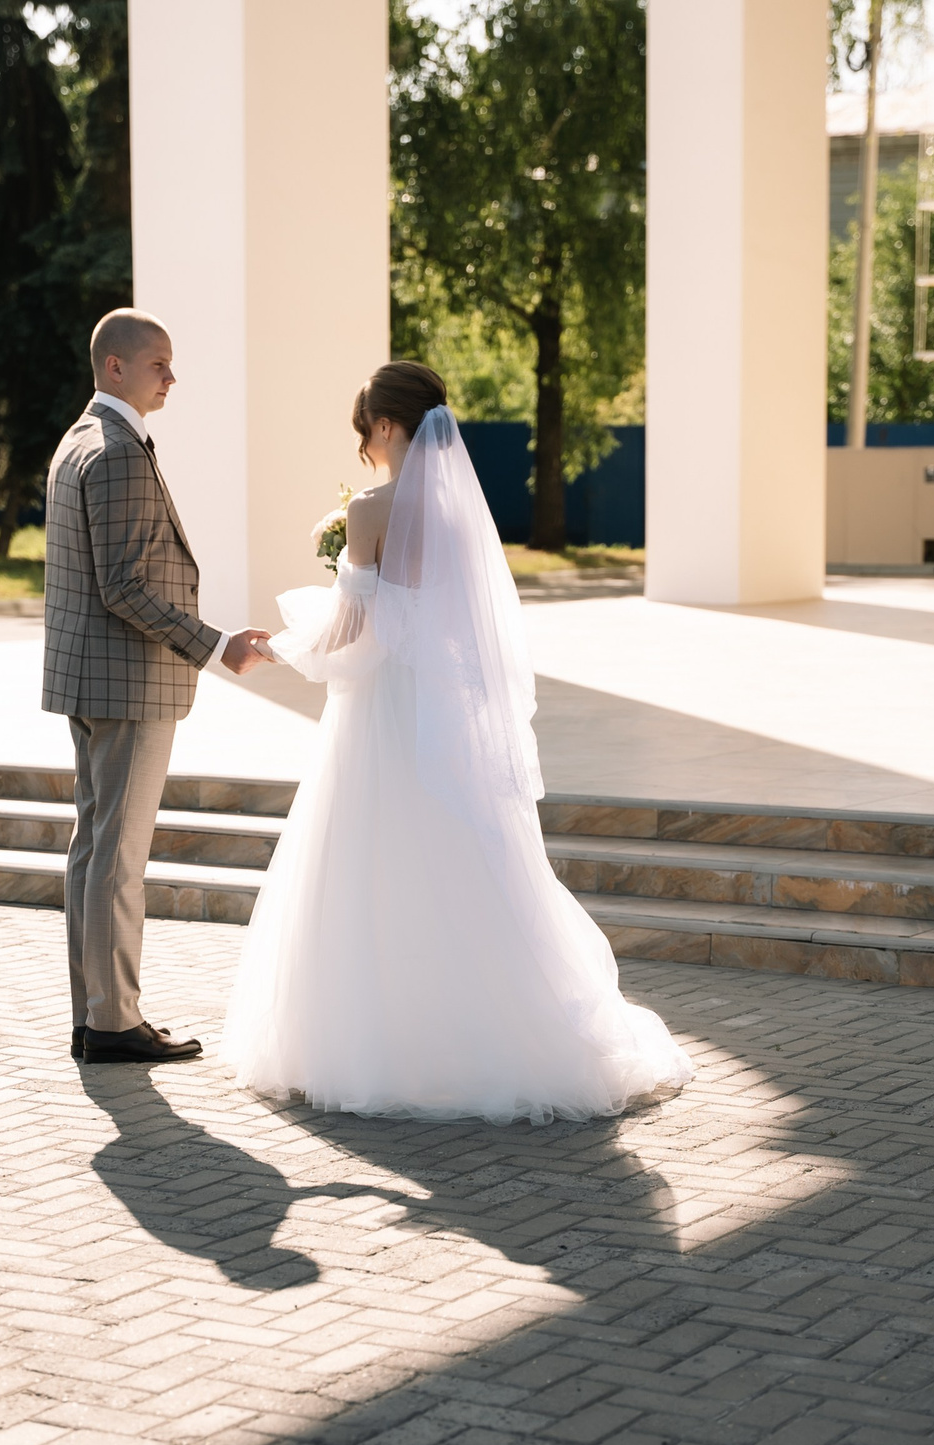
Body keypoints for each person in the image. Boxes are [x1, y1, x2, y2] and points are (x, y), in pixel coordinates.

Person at [221, 362, 694, 1122]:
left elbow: (354, 624)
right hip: (437, 706)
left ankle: (376, 1040)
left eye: (363, 436)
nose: (365, 453)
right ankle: (491, 1029)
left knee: (370, 852)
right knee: (454, 850)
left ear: (383, 425)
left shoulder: (375, 511)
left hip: (381, 710)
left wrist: (278, 647)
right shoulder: (456, 516)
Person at [45, 309, 271, 1065]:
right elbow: (125, 587)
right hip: (129, 683)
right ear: (114, 367)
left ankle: (95, 1015)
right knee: (117, 858)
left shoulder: (78, 441)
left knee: (93, 851)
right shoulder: (113, 452)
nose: (171, 377)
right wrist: (216, 647)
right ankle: (113, 1024)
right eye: (158, 364)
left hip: (93, 680)